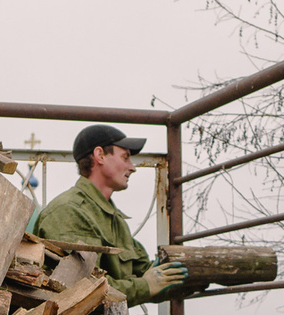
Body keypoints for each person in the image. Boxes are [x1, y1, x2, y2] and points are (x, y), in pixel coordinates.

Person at [30, 124, 192, 305]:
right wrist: (145, 286)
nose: (133, 167)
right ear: (100, 155)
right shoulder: (69, 211)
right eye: (125, 157)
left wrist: (199, 275)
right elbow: (81, 288)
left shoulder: (112, 217)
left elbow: (144, 273)